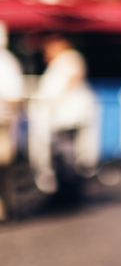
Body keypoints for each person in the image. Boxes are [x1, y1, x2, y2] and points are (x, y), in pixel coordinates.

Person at [33, 34, 96, 204]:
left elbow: (72, 79)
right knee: (62, 157)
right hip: (61, 118)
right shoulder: (61, 62)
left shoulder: (69, 59)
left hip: (69, 118)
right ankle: (64, 191)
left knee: (67, 157)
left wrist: (52, 98)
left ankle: (69, 194)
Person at [0, 22, 24, 219]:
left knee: (3, 166)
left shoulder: (5, 62)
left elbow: (14, 97)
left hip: (1, 122)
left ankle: (6, 208)